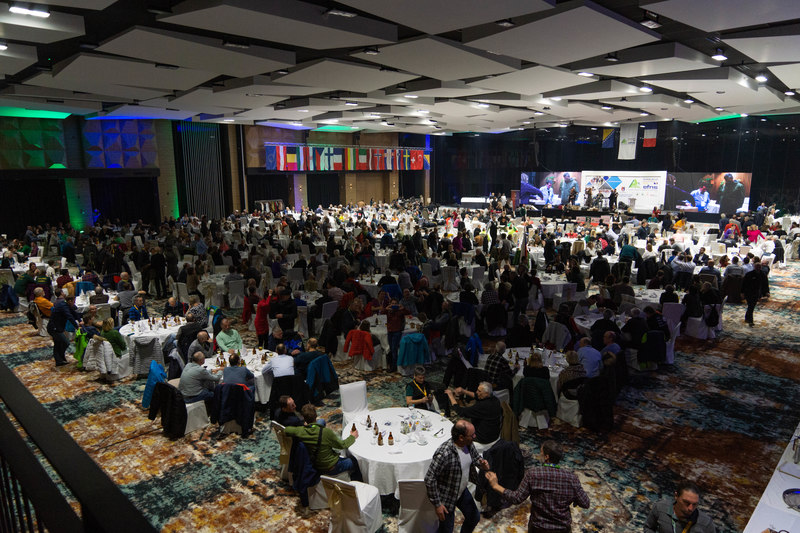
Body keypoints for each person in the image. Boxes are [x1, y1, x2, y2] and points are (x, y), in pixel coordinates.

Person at [485, 440, 590, 533]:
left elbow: (516, 498)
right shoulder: (572, 478)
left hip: (538, 528)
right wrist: (574, 499)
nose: (539, 455)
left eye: (541, 452)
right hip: (562, 529)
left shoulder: (533, 474)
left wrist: (495, 485)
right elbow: (585, 503)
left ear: (546, 457)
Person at [424, 420, 491, 533]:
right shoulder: (444, 453)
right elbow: (429, 479)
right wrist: (437, 504)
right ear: (461, 437)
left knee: (474, 517)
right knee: (446, 530)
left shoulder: (468, 444)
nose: (475, 437)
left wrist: (482, 464)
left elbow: (475, 458)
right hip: (446, 497)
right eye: (472, 435)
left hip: (461, 490)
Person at [284, 404, 361, 480]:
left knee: (321, 421)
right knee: (355, 461)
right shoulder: (326, 432)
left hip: (316, 464)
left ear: (304, 418)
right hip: (332, 467)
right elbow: (342, 445)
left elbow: (286, 430)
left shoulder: (301, 431)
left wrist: (304, 426)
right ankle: (355, 479)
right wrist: (352, 436)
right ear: (316, 415)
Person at [644, 480, 717, 533]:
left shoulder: (706, 523)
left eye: (695, 504)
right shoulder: (660, 507)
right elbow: (648, 528)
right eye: (686, 503)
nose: (691, 509)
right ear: (676, 496)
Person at [445, 382, 503, 449]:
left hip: (483, 439)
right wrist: (464, 391)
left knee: (458, 434)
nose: (476, 392)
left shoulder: (482, 406)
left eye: (479, 391)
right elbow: (476, 396)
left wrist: (451, 396)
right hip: (494, 434)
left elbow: (461, 412)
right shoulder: (495, 400)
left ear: (486, 393)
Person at [47, 294, 82, 367]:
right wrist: (77, 327)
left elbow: (74, 313)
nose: (74, 303)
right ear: (70, 301)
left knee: (58, 344)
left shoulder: (66, 305)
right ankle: (60, 357)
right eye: (73, 302)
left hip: (57, 327)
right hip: (54, 328)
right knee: (65, 342)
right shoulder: (63, 306)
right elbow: (69, 316)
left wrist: (80, 321)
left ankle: (59, 360)